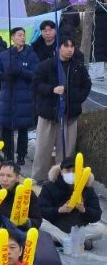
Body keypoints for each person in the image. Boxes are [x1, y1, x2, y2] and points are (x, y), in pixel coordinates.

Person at [31, 38, 92, 183]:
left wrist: (77, 98)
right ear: (59, 48)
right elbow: (36, 84)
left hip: (69, 115)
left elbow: (86, 84)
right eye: (66, 46)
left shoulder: (78, 67)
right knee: (43, 149)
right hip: (49, 114)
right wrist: (51, 89)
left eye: (72, 46)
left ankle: (64, 179)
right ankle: (38, 177)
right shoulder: (46, 65)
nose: (70, 49)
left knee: (66, 151)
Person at [0, 27, 40, 164]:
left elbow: (36, 74)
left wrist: (21, 72)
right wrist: (3, 75)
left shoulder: (31, 55)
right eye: (19, 35)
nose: (22, 38)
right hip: (7, 97)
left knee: (23, 128)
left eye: (24, 35)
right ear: (12, 37)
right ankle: (8, 155)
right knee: (6, 128)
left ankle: (21, 155)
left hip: (24, 97)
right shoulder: (4, 55)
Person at [37, 155, 104, 248]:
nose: (71, 174)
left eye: (75, 171)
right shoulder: (50, 187)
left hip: (79, 228)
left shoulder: (88, 189)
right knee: (40, 223)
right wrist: (59, 210)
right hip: (57, 227)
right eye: (68, 171)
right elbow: (40, 210)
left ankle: (64, 241)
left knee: (100, 229)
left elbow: (97, 214)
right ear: (61, 171)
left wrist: (83, 210)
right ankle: (73, 241)